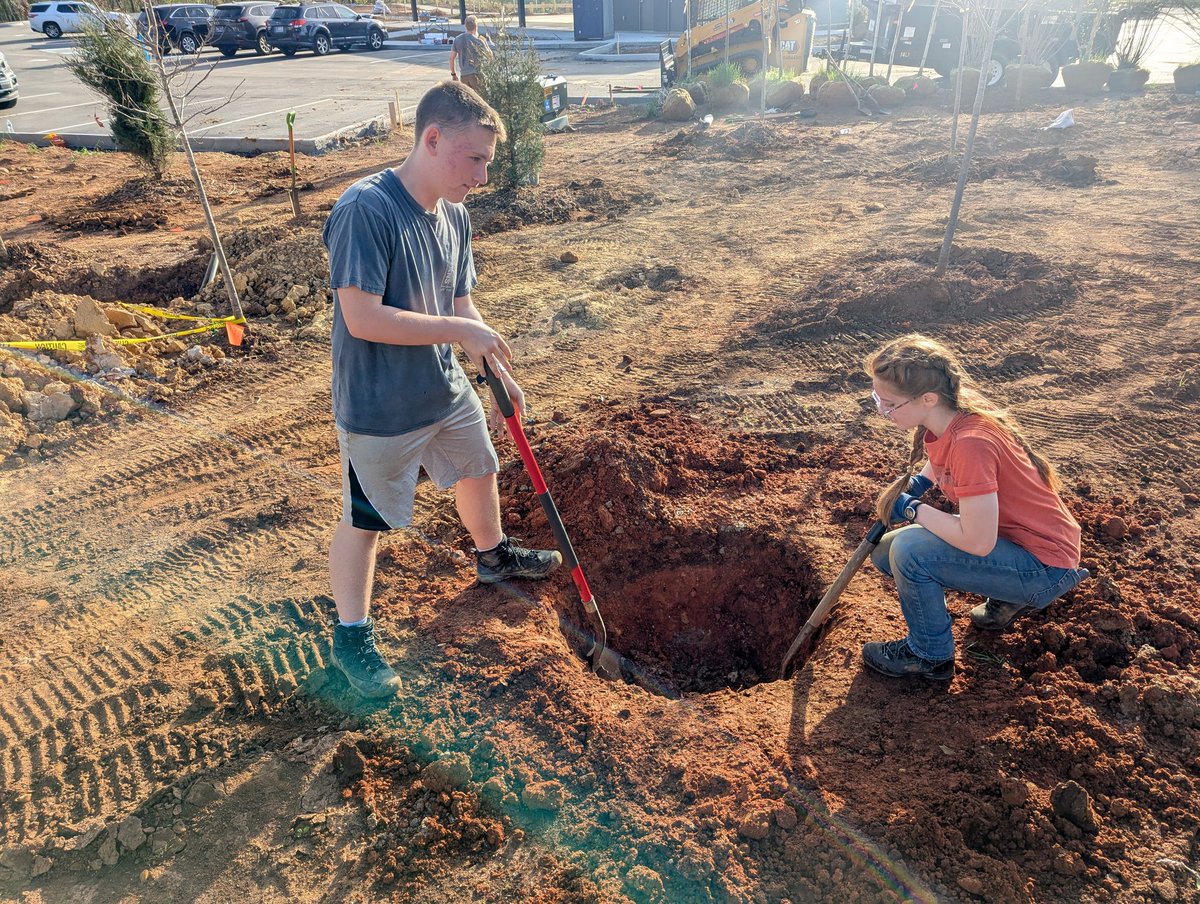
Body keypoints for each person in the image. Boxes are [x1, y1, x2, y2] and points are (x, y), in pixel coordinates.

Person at [322, 81, 562, 698]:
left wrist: (488, 358)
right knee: (366, 517)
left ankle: (493, 556)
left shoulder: (453, 214)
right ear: (432, 140)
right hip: (380, 404)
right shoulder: (365, 210)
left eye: (486, 160)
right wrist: (460, 328)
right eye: (474, 159)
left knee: (477, 464)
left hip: (442, 386)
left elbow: (460, 301)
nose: (482, 176)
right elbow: (363, 318)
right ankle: (351, 636)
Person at [861, 334, 1088, 681]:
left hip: (1045, 566)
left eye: (890, 404)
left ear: (928, 399)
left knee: (909, 551)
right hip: (1020, 545)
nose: (883, 411)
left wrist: (911, 510)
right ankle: (1006, 594)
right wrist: (917, 486)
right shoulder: (951, 417)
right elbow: (940, 460)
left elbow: (978, 542)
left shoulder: (972, 444)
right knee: (887, 552)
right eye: (879, 399)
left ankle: (929, 657)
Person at [449, 15, 492, 96]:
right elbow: (490, 56)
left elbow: (451, 58)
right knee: (482, 99)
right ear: (476, 26)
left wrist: (454, 74)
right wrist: (485, 42)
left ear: (465, 26)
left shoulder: (457, 39)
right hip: (477, 74)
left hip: (464, 76)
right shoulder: (479, 41)